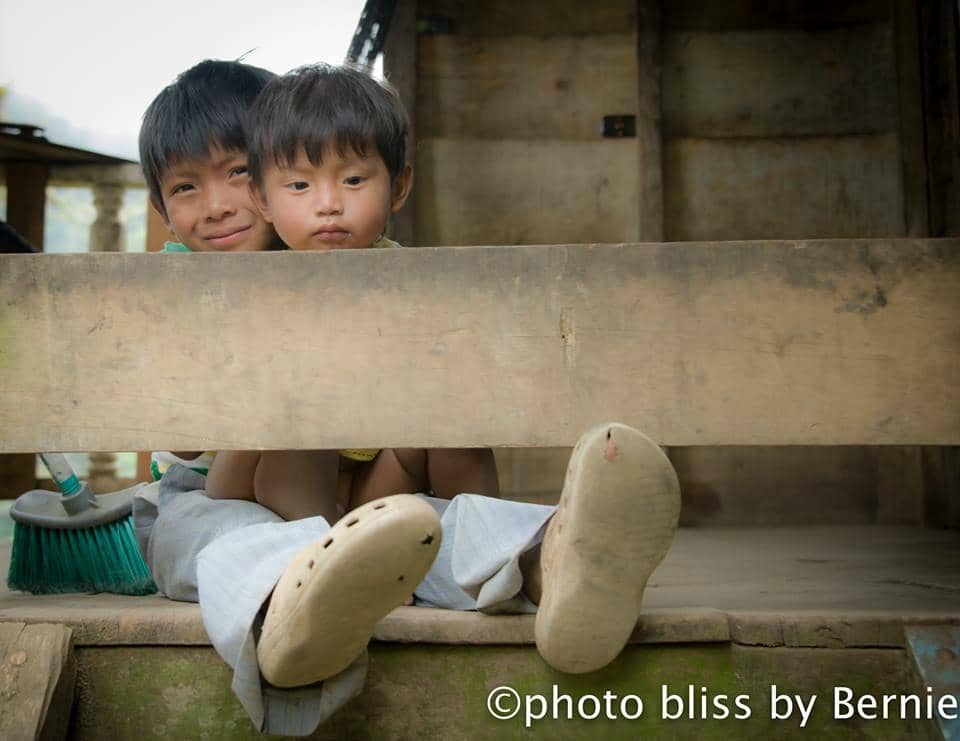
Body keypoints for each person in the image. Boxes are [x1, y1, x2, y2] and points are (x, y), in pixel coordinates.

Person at [133, 60, 681, 736]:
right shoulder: (171, 291)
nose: (219, 204)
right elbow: (188, 444)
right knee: (213, 536)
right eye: (188, 187)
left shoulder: (369, 266)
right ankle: (288, 607)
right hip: (226, 493)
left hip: (359, 497)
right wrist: (267, 377)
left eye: (240, 172)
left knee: (421, 524)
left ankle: (550, 561)